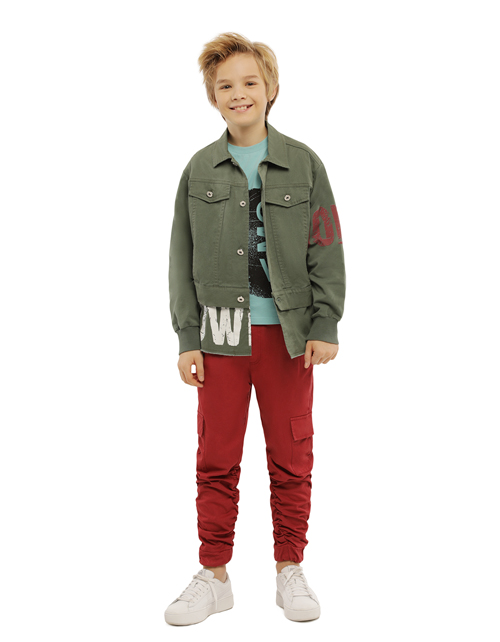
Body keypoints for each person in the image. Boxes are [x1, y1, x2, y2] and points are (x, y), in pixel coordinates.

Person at [164, 31, 346, 626]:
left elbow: (325, 244)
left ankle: (289, 567)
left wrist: (325, 321)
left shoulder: (304, 163)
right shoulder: (199, 168)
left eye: (249, 82)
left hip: (289, 339)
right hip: (219, 336)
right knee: (215, 456)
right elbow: (181, 257)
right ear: (212, 97)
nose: (238, 93)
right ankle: (214, 574)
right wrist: (187, 337)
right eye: (225, 85)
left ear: (271, 89)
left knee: (291, 454)